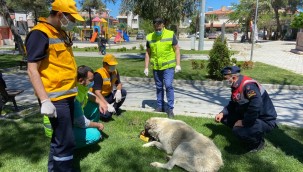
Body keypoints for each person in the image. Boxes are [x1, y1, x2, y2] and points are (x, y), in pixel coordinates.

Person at [25, 0, 91, 171]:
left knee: (60, 139)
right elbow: (32, 70)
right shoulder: (40, 33)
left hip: (67, 96)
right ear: (60, 15)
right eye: (72, 19)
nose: (74, 23)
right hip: (54, 98)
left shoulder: (60, 32)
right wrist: (44, 100)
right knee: (66, 141)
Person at [215, 66, 278, 153]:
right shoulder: (235, 85)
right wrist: (222, 113)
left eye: (225, 78)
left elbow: (256, 105)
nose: (223, 81)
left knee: (238, 130)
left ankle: (257, 143)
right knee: (224, 117)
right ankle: (247, 132)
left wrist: (244, 122)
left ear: (233, 77)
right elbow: (233, 103)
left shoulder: (248, 86)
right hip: (251, 116)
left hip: (265, 120)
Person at [43, 65, 107, 148]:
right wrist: (98, 125)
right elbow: (81, 122)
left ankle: (84, 129)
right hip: (57, 130)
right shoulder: (73, 94)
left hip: (69, 121)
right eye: (91, 80)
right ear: (81, 80)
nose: (93, 82)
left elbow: (88, 95)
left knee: (95, 104)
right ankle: (65, 145)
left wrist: (101, 103)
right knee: (95, 135)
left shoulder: (79, 86)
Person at [144, 17, 181, 118]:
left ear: (163, 25)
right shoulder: (150, 37)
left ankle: (170, 108)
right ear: (154, 27)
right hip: (156, 67)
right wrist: (146, 67)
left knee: (168, 85)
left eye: (159, 29)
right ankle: (160, 106)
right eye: (156, 29)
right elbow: (148, 52)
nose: (158, 31)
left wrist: (178, 64)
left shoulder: (170, 34)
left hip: (169, 66)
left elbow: (177, 49)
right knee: (159, 87)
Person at [92, 54, 127, 120]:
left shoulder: (115, 72)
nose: (113, 67)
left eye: (114, 65)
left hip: (108, 95)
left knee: (123, 92)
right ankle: (102, 110)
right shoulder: (99, 74)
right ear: (105, 64)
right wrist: (107, 104)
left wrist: (119, 91)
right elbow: (97, 92)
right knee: (106, 116)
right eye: (111, 65)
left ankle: (115, 109)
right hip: (99, 98)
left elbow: (118, 83)